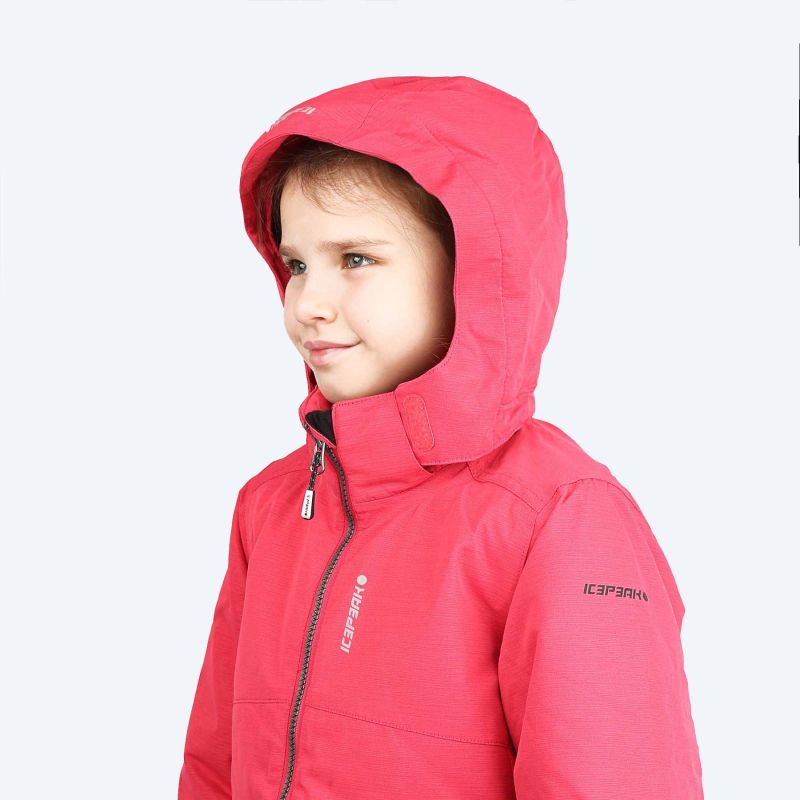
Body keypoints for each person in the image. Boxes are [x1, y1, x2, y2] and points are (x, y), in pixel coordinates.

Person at [178, 75, 704, 799]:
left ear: (471, 273)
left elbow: (610, 778)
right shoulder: (273, 505)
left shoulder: (557, 514)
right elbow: (214, 767)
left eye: (355, 259)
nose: (309, 303)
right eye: (297, 264)